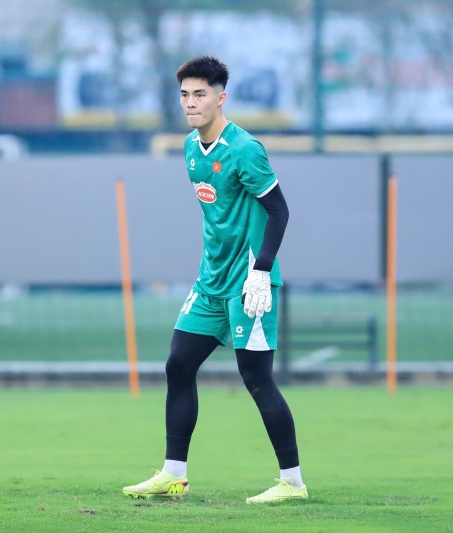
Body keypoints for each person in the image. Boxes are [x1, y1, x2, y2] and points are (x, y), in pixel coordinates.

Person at [122, 56, 307, 504]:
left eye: (200, 94)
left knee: (256, 378)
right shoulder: (189, 148)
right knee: (178, 365)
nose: (191, 102)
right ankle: (173, 474)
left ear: (221, 97)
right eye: (184, 94)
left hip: (249, 283)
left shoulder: (244, 149)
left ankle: (293, 482)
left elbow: (280, 211)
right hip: (210, 283)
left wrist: (262, 269)